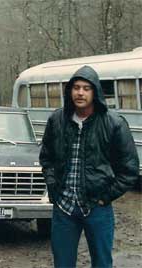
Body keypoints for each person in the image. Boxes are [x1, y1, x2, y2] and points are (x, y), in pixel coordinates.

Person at [39, 65, 139, 268]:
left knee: (102, 263)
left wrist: (105, 197)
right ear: (70, 91)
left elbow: (129, 169)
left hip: (97, 208)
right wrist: (53, 188)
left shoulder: (114, 123)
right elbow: (46, 158)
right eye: (76, 87)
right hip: (64, 208)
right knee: (62, 263)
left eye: (86, 88)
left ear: (95, 92)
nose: (80, 93)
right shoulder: (57, 120)